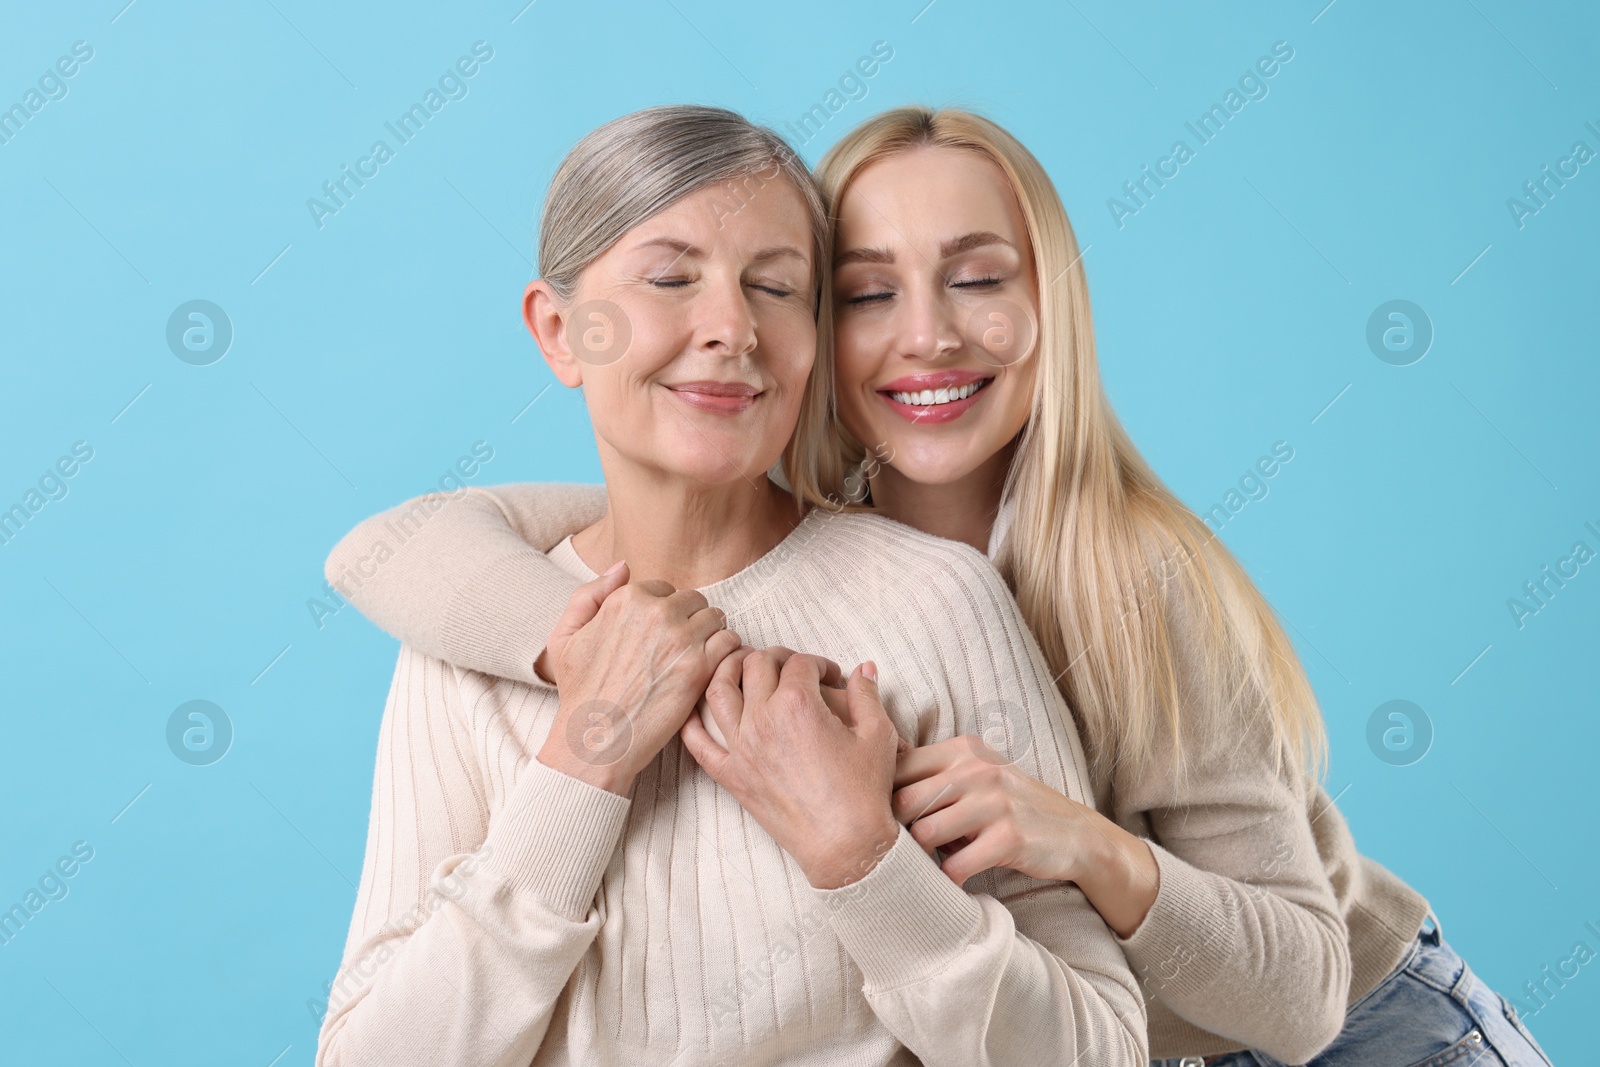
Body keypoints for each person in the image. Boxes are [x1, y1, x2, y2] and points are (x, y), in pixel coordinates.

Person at [324, 107, 1556, 1066]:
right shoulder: (515, 611)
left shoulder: (1108, 576)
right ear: (557, 330)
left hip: (1364, 1019)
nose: (925, 335)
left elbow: (1291, 1000)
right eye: (863, 290)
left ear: (1050, 306)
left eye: (977, 278)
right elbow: (409, 545)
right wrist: (598, 689)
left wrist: (1066, 848)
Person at [314, 104, 1145, 1067]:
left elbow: (1106, 1049)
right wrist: (583, 767)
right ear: (559, 331)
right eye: (671, 278)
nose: (732, 328)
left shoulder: (939, 600)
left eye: (777, 287)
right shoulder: (470, 638)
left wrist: (861, 858)